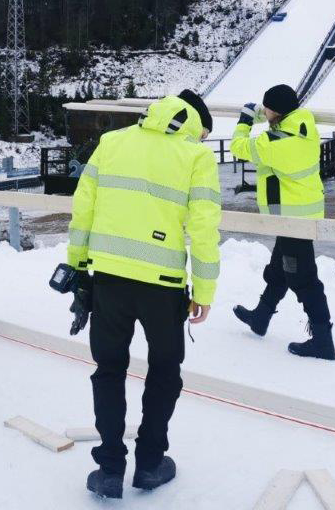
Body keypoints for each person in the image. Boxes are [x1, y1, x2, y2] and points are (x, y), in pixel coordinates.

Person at [65, 89, 222, 498]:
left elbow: (83, 208)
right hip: (162, 288)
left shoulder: (112, 142)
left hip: (109, 280)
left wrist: (78, 267)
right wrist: (205, 288)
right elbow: (204, 229)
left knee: (109, 369)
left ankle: (109, 468)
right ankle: (150, 463)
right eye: (203, 134)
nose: (202, 140)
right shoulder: (197, 156)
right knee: (165, 371)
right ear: (196, 125)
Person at [229, 84, 335, 361]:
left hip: (292, 219)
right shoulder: (303, 126)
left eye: (266, 109)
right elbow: (276, 126)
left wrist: (245, 121)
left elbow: (238, 147)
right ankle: (261, 317)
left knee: (303, 279)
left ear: (275, 112)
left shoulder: (275, 143)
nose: (264, 112)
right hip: (298, 213)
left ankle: (323, 341)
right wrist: (266, 116)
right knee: (279, 268)